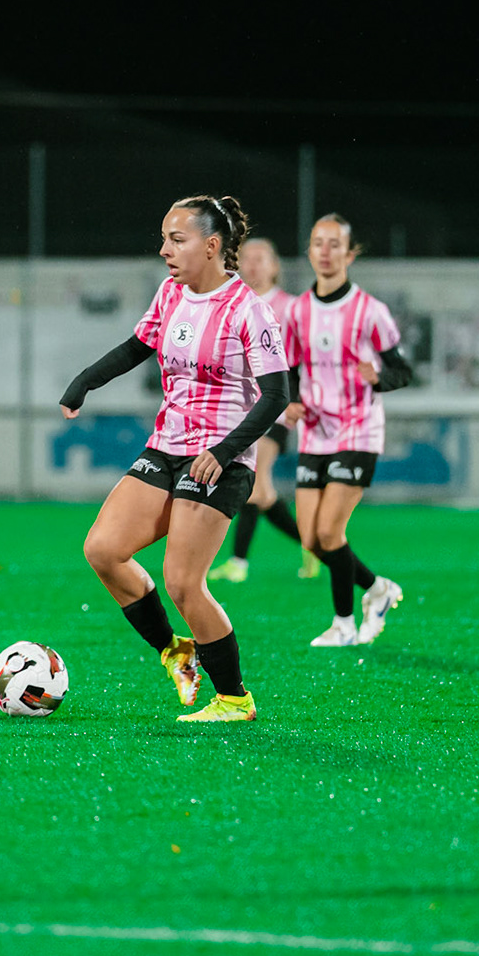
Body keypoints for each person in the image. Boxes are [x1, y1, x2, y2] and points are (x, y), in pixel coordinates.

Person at [60, 195, 289, 722]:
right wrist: (83, 383)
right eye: (164, 238)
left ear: (212, 247)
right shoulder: (171, 293)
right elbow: (137, 347)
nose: (164, 249)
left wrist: (226, 450)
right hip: (165, 449)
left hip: (220, 460)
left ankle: (234, 698)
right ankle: (174, 650)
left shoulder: (249, 310)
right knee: (103, 549)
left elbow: (275, 394)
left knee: (184, 582)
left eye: (176, 239)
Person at [281, 213, 413, 648]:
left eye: (335, 244)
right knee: (310, 538)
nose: (325, 251)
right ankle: (376, 589)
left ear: (350, 254)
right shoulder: (298, 311)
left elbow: (402, 370)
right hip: (315, 434)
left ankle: (343, 624)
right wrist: (292, 401)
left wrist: (378, 377)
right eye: (318, 242)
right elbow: (290, 369)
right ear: (309, 251)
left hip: (358, 430)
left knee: (329, 534)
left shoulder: (369, 311)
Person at [208, 236, 322, 583]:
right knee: (266, 491)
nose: (254, 264)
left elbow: (307, 359)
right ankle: (313, 543)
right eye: (247, 258)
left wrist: (296, 399)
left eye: (262, 258)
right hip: (241, 406)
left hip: (276, 404)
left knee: (255, 483)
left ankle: (238, 564)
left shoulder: (291, 308)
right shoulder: (231, 303)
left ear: (275, 267)